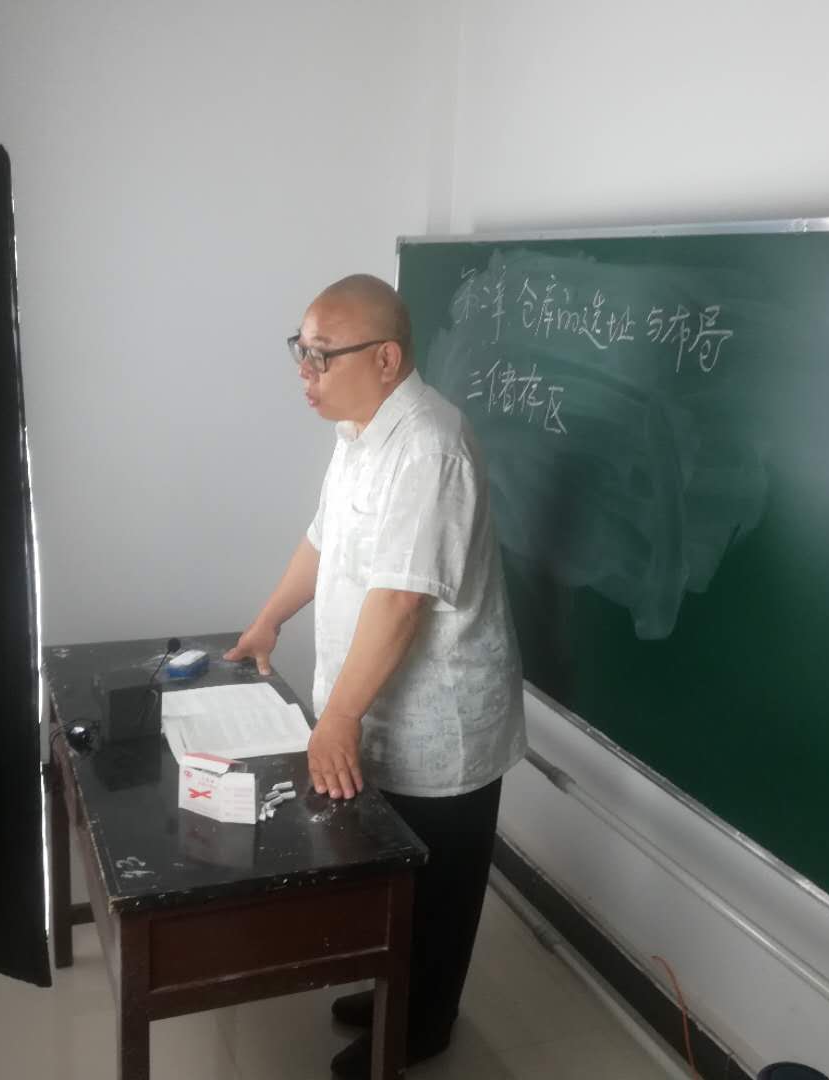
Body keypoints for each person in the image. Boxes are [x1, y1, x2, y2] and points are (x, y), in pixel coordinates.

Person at [225, 273, 526, 1077]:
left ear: (386, 359)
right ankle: (396, 989)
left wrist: (337, 719)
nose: (305, 372)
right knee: (394, 874)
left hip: (440, 722)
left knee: (440, 884)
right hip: (375, 706)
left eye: (322, 356)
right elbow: (323, 538)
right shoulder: (358, 430)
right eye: (301, 352)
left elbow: (398, 601)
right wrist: (270, 618)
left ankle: (422, 1027)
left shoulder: (429, 447)